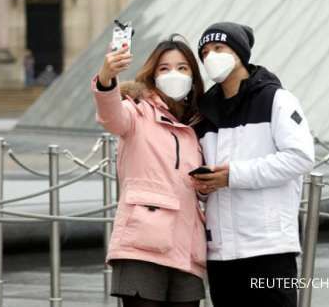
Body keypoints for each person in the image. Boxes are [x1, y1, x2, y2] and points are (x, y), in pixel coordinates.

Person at [191, 22, 315, 307]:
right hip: (220, 253)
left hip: (268, 248)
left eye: (219, 48)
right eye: (205, 52)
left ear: (239, 52)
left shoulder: (276, 100)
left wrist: (233, 175)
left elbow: (300, 157)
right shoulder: (204, 112)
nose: (211, 56)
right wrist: (204, 186)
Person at [92, 36, 207, 307]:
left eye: (182, 68)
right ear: (153, 75)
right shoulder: (137, 111)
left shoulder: (199, 123)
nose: (173, 74)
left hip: (187, 251)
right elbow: (111, 115)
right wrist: (107, 78)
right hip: (142, 247)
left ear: (193, 75)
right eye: (164, 68)